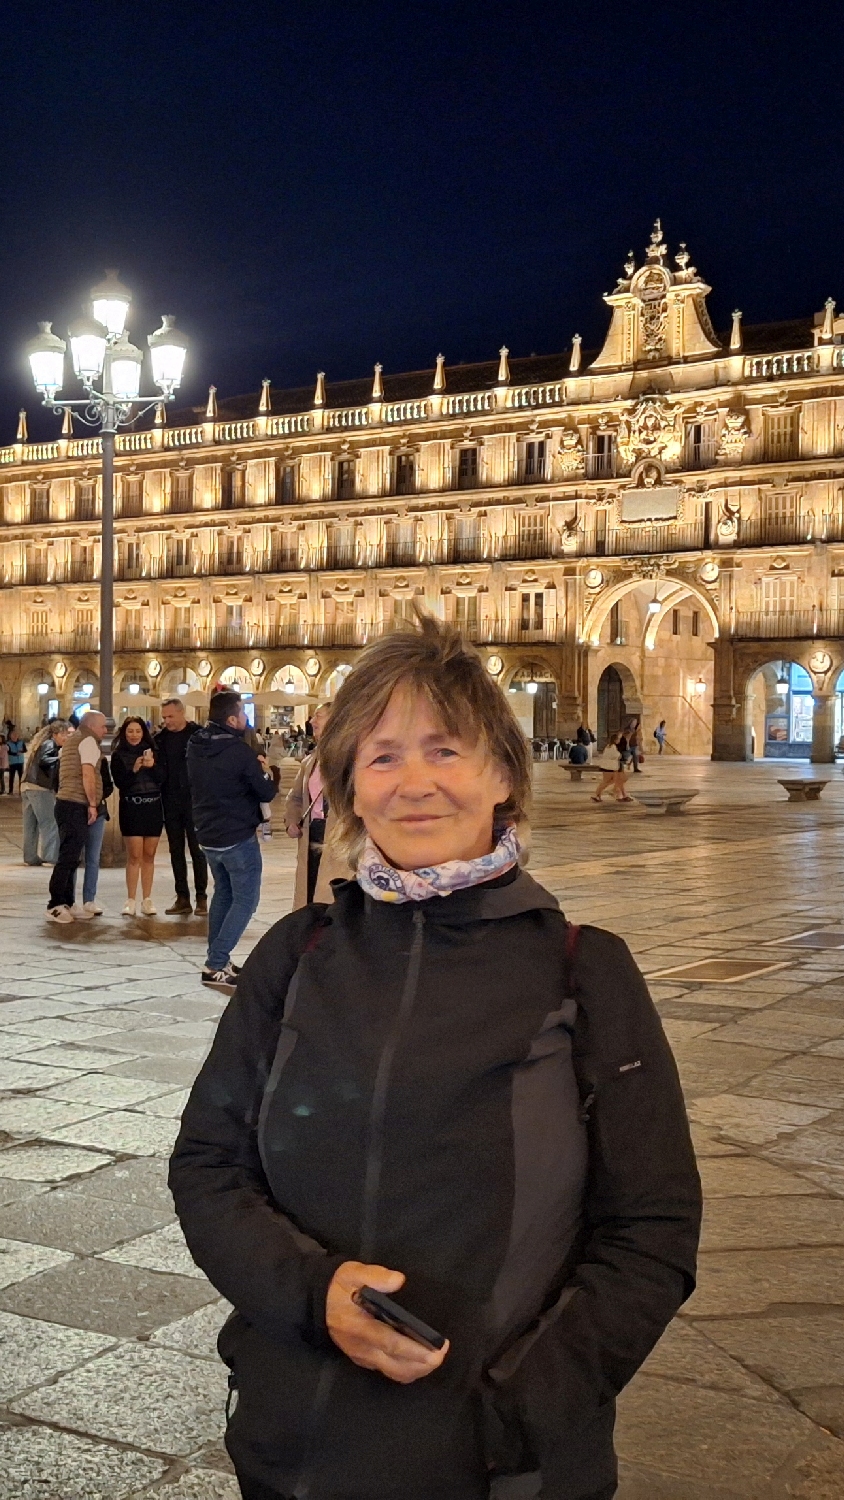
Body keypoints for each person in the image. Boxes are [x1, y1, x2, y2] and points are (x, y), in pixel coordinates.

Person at [170, 615, 701, 1500]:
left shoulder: (583, 969)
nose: (414, 783)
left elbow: (652, 1229)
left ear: (501, 774)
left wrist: (521, 1407)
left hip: (503, 1468)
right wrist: (312, 1294)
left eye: (445, 750)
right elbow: (207, 1166)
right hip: (295, 1448)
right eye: (380, 757)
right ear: (347, 790)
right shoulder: (295, 956)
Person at [186, 690, 278, 991]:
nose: (246, 718)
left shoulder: (195, 744)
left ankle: (219, 961)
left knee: (223, 893)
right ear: (231, 718)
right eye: (242, 713)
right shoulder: (239, 752)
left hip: (208, 834)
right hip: (236, 835)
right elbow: (264, 792)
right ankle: (215, 963)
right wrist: (269, 773)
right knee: (246, 900)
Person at [284, 703, 349, 907]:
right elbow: (295, 797)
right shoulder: (311, 761)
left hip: (338, 838)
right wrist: (292, 821)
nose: (312, 721)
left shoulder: (349, 758)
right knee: (310, 891)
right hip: (312, 834)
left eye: (318, 716)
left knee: (332, 895)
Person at [47, 710, 108, 924]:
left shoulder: (72, 741)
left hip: (65, 802)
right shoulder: (88, 742)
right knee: (68, 857)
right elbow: (87, 773)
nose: (105, 730)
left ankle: (68, 903)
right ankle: (55, 904)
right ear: (91, 726)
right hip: (75, 804)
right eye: (102, 726)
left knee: (72, 857)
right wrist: (92, 803)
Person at [153, 698, 208, 916]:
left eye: (170, 717)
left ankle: (201, 898)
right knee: (175, 850)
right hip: (170, 799)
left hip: (194, 801)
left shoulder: (198, 735)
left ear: (182, 713)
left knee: (197, 850)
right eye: (164, 717)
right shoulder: (160, 740)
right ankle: (182, 897)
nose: (166, 721)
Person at [111, 716, 164, 917]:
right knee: (134, 856)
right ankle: (131, 899)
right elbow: (120, 783)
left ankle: (147, 899)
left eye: (138, 731)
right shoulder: (119, 755)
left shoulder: (154, 753)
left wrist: (152, 766)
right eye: (130, 731)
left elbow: (162, 778)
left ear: (144, 733)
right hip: (132, 807)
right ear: (125, 733)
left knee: (149, 855)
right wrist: (133, 770)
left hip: (152, 807)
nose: (134, 735)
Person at [21, 721, 71, 866]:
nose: (66, 737)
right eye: (63, 734)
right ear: (54, 734)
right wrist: (60, 757)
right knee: (49, 823)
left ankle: (30, 857)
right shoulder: (50, 744)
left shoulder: (40, 745)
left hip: (27, 786)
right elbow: (45, 761)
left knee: (30, 824)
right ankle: (50, 857)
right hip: (40, 787)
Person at [590, 732, 632, 804]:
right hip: (610, 767)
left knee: (615, 781)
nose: (619, 740)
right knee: (607, 782)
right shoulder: (612, 747)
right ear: (615, 740)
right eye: (618, 739)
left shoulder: (608, 746)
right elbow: (617, 755)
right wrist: (621, 755)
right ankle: (596, 795)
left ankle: (620, 795)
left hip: (608, 767)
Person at [6, 728, 26, 794]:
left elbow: (25, 750)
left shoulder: (21, 742)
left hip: (20, 762)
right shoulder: (8, 743)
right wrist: (15, 754)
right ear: (10, 736)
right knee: (11, 777)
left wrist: (21, 751)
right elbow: (8, 752)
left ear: (17, 736)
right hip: (12, 762)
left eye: (15, 735)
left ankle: (21, 790)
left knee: (21, 777)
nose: (14, 736)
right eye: (13, 735)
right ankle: (10, 790)